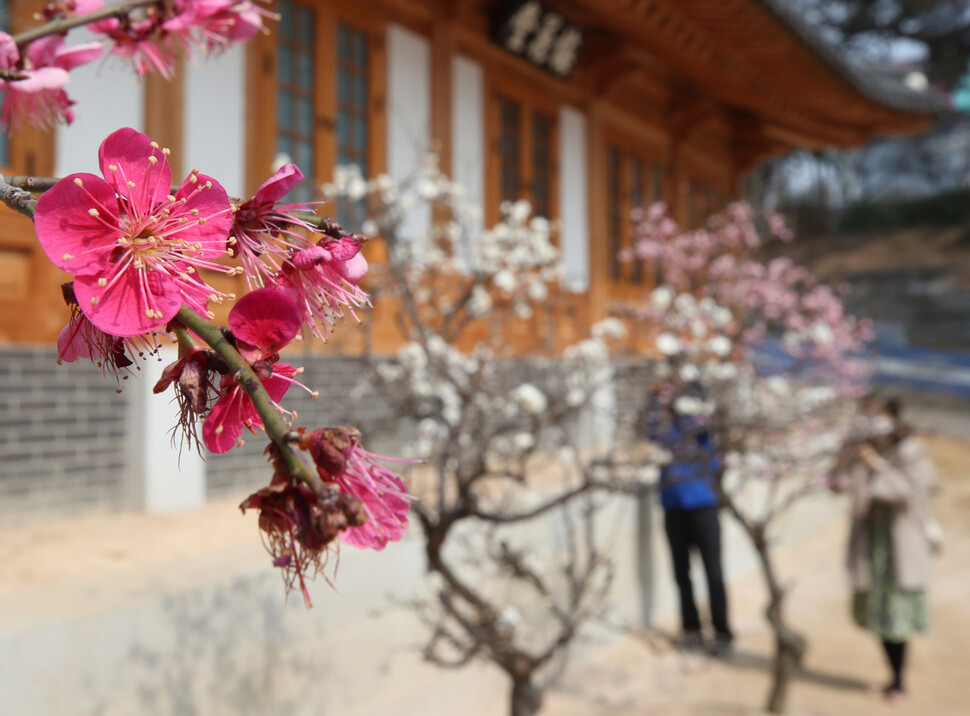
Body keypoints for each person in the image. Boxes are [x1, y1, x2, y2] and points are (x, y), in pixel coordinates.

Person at [835, 396, 941, 702]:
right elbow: (840, 484)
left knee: (896, 616)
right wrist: (848, 456)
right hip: (873, 542)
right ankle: (893, 680)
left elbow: (911, 491)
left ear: (893, 416)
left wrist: (876, 465)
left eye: (878, 417)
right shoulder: (863, 448)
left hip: (900, 546)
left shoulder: (910, 450)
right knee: (879, 614)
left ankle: (898, 683)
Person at [649, 392, 733, 656]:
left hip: (703, 509)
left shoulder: (702, 431)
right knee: (681, 574)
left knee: (713, 573)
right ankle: (691, 629)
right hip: (674, 510)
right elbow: (647, 431)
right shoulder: (663, 432)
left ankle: (722, 633)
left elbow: (717, 432)